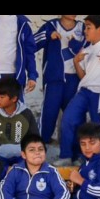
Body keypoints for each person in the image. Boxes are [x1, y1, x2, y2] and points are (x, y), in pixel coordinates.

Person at [57, 15, 100, 165]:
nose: (85, 31)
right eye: (85, 27)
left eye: (88, 27)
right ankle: (66, 156)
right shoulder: (86, 49)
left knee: (96, 127)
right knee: (68, 119)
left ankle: (91, 159)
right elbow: (83, 76)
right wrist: (76, 62)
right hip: (85, 91)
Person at [34, 15, 85, 144]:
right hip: (54, 78)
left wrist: (75, 44)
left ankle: (75, 148)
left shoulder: (82, 27)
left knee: (74, 115)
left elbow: (89, 47)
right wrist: (48, 36)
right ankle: (41, 145)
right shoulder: (51, 26)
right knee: (49, 114)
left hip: (75, 78)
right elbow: (32, 43)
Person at [0, 77, 40, 164]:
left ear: (14, 99)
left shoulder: (26, 114)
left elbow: (35, 138)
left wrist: (24, 149)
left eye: (2, 97)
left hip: (22, 155)